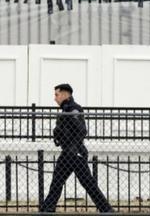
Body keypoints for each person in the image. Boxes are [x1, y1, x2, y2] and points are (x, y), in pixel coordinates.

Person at [39, 83, 114, 213]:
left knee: (86, 183)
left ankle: (106, 209)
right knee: (58, 182)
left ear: (64, 94)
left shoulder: (73, 109)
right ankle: (47, 209)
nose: (55, 98)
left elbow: (81, 130)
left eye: (57, 95)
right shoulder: (67, 109)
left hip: (74, 154)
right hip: (69, 153)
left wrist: (72, 146)